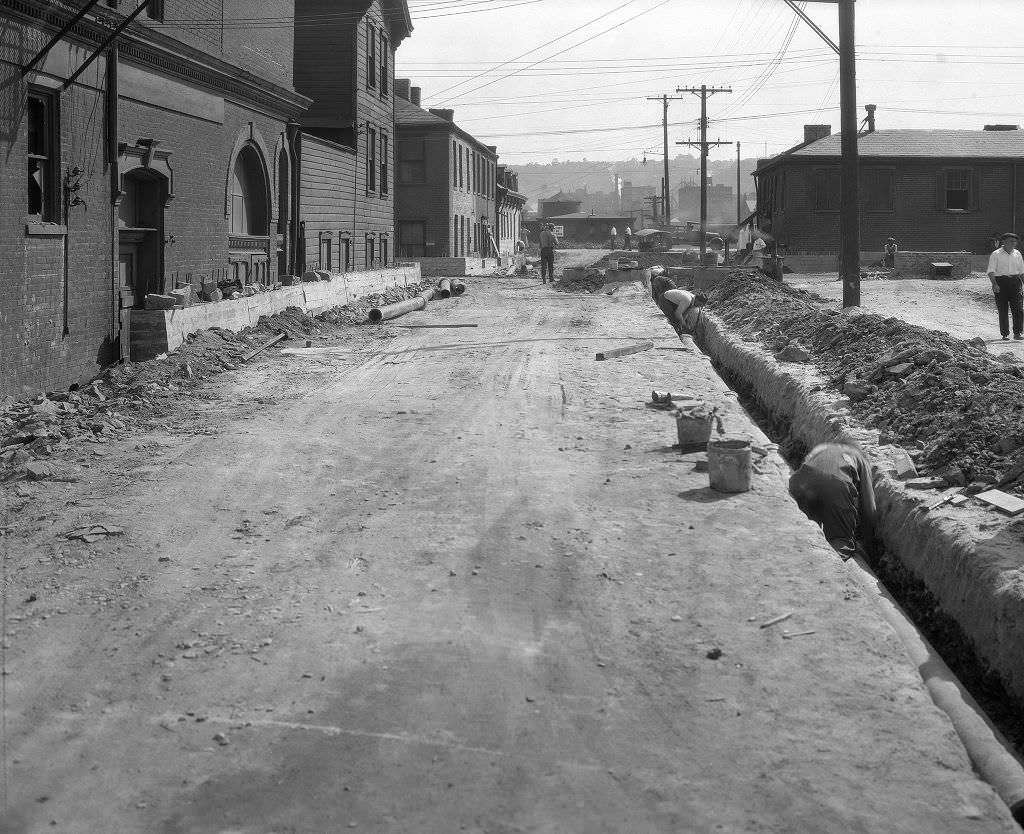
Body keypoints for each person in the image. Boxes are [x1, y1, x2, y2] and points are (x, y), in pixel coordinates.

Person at [788, 443, 876, 562]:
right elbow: (868, 507)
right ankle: (827, 566)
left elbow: (812, 477)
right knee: (841, 540)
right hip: (834, 484)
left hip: (799, 481)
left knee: (802, 530)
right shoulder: (860, 457)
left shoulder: (822, 448)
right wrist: (871, 545)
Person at [987, 231, 1024, 340]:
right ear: (1004, 242)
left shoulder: (1017, 254)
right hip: (1000, 282)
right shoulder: (996, 254)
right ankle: (1005, 333)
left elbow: (1021, 272)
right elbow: (991, 271)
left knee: (1018, 309)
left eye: (1015, 242)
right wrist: (994, 284)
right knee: (1003, 310)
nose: (1014, 243)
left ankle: (1018, 333)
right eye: (1011, 241)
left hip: (1015, 282)